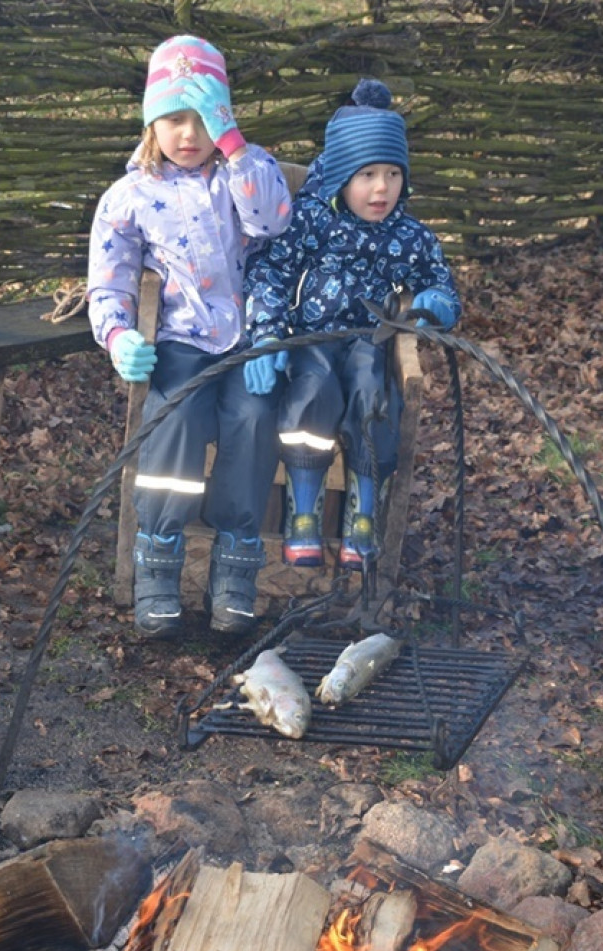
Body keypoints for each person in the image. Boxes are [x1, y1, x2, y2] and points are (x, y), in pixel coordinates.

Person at [87, 35, 292, 637]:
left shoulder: (243, 173)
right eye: (174, 119)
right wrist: (118, 335)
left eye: (204, 118)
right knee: (172, 422)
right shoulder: (129, 197)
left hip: (245, 344)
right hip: (178, 343)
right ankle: (157, 561)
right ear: (153, 123)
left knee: (254, 420)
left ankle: (235, 565)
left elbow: (271, 221)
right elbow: (109, 281)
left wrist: (235, 146)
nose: (189, 133)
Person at [243, 78, 462, 570]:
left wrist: (436, 301)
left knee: (373, 397)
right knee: (312, 393)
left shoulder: (409, 236)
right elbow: (268, 272)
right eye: (367, 175)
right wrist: (268, 332)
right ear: (341, 175)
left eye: (392, 174)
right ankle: (304, 511)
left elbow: (440, 283)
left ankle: (363, 515)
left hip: (370, 339)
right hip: (312, 341)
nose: (381, 188)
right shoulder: (309, 221)